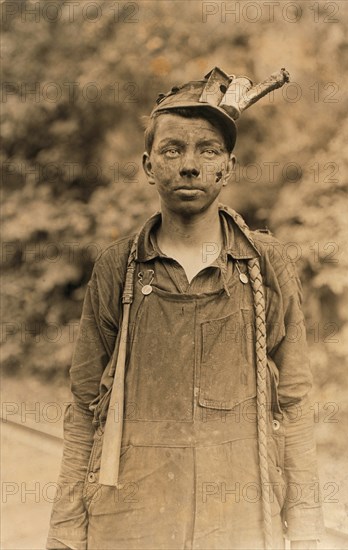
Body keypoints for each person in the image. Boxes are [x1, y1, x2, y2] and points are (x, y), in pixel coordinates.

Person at [47, 67, 324, 550]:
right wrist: (67, 532)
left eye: (207, 150)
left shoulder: (264, 265)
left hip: (238, 518)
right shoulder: (119, 269)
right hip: (132, 518)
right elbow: (85, 409)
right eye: (172, 149)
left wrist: (305, 531)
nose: (190, 165)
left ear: (228, 167)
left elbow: (294, 404)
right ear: (148, 164)